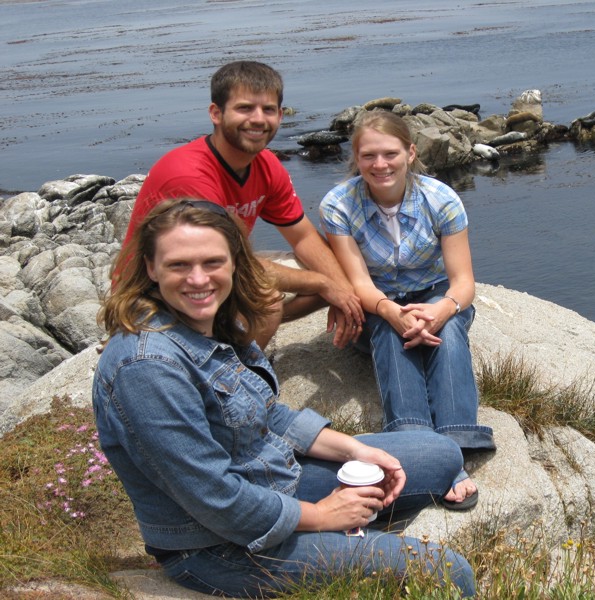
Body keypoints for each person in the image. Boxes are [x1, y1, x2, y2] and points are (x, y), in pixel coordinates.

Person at [93, 199, 476, 597]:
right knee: (446, 574)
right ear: (152, 268)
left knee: (440, 454)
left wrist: (353, 450)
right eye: (178, 265)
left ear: (235, 263)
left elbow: (263, 413)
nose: (198, 278)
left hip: (271, 478)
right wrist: (321, 515)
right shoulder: (146, 366)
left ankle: (351, 536)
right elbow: (213, 496)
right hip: (216, 543)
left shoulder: (214, 322)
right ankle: (344, 542)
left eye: (212, 262)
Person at [319, 111, 495, 511]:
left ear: (410, 153)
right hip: (376, 300)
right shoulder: (338, 206)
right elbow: (359, 284)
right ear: (356, 157)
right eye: (369, 156)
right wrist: (392, 312)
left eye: (390, 153)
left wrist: (441, 310)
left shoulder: (441, 199)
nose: (380, 165)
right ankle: (413, 445)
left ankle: (451, 449)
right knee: (387, 330)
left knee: (447, 332)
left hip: (434, 293)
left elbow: (463, 282)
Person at [124, 60, 363, 349]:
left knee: (343, 271)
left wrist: (343, 289)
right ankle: (231, 369)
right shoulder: (189, 174)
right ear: (216, 113)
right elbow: (232, 266)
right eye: (245, 108)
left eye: (269, 110)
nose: (259, 119)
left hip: (217, 267)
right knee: (268, 302)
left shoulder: (266, 164)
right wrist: (325, 284)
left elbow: (302, 236)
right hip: (163, 285)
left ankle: (235, 331)